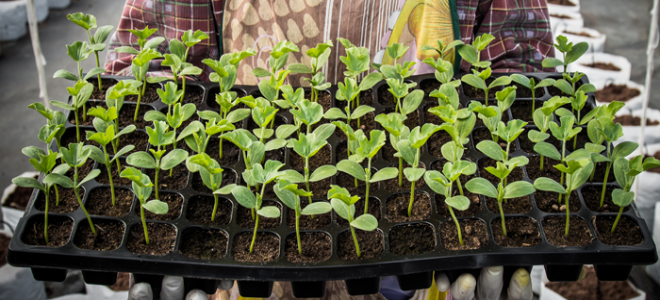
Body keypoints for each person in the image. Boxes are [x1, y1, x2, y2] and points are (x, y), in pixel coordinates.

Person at [106, 1, 555, 299]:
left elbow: (520, 59)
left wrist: (501, 215)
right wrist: (163, 212)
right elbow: (153, 57)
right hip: (251, 230)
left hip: (422, 228)